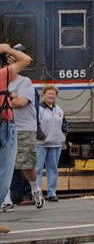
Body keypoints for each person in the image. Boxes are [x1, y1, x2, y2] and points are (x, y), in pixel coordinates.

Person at [0, 44, 33, 233]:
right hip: (4, 126)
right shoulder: (2, 75)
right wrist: (6, 48)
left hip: (5, 125)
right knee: (4, 175)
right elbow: (26, 59)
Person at [4, 65, 44, 210]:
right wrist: (11, 97)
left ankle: (35, 189)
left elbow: (21, 103)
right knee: (4, 164)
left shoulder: (24, 82)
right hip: (6, 125)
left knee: (25, 164)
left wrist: (5, 99)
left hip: (24, 128)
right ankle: (6, 200)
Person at [35, 85, 66, 202]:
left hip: (55, 144)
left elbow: (64, 122)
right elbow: (35, 124)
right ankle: (37, 194)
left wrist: (65, 132)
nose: (51, 96)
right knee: (37, 169)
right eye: (49, 93)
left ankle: (52, 193)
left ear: (56, 96)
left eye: (53, 94)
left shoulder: (59, 110)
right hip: (40, 144)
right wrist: (41, 136)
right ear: (44, 95)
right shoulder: (39, 109)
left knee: (53, 169)